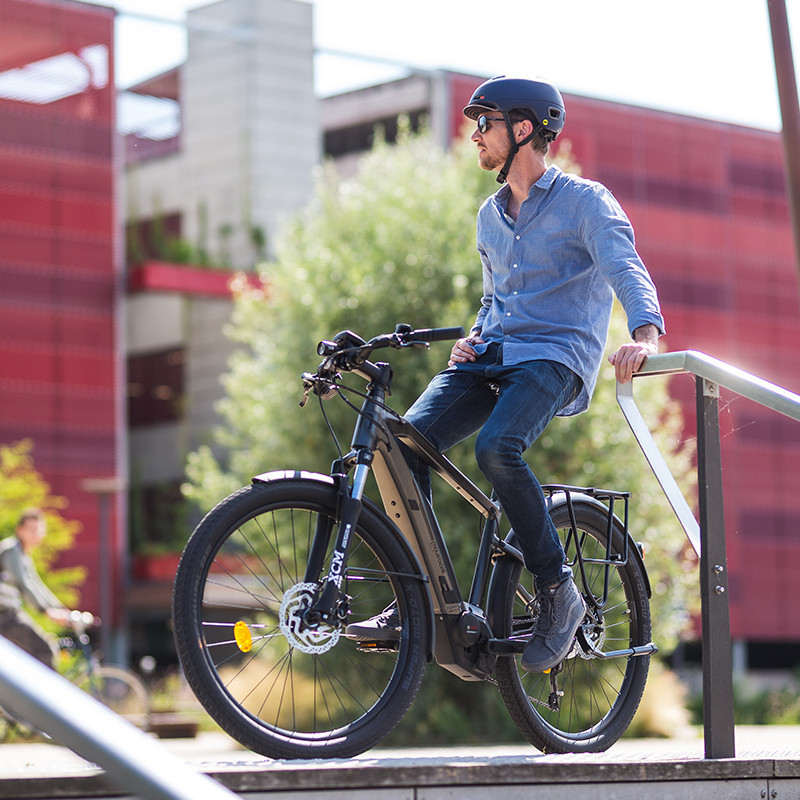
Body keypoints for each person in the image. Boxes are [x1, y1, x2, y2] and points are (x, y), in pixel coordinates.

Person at [346, 76, 664, 673]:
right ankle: (414, 596)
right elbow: (496, 301)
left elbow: (625, 265)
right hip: (492, 356)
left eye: (484, 123)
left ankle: (558, 591)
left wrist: (644, 334)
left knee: (497, 449)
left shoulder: (584, 201)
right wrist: (473, 334)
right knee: (402, 450)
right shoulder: (488, 218)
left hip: (554, 358)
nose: (475, 136)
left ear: (523, 129)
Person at [0, 508, 72, 668]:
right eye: (31, 529)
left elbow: (36, 584)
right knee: (44, 650)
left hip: (8, 614)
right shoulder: (11, 551)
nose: (36, 534)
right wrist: (45, 610)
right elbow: (25, 584)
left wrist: (59, 608)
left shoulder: (23, 554)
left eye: (39, 530)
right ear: (20, 530)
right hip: (4, 615)